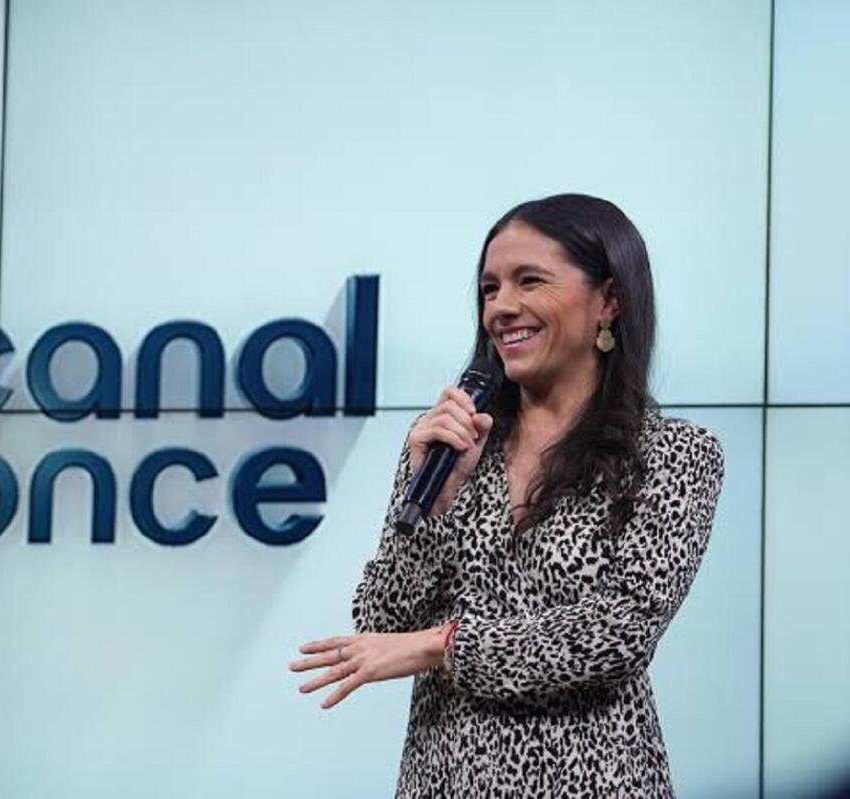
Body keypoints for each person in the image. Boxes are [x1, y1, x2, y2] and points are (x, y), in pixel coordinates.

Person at [289, 193, 725, 797]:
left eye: (530, 281)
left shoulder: (675, 454)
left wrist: (442, 645)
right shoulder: (450, 441)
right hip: (443, 779)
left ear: (609, 300)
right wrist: (434, 501)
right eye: (490, 289)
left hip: (594, 781)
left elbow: (617, 632)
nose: (502, 307)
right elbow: (382, 622)